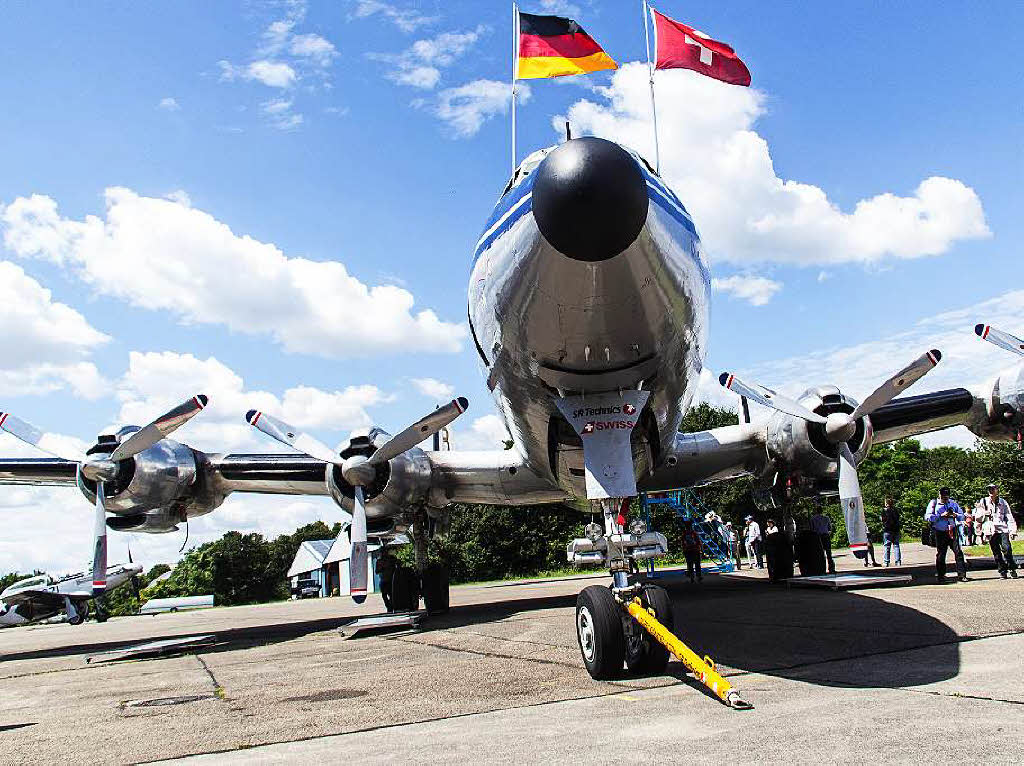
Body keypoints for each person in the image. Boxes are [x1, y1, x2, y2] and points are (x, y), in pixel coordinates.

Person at [924, 487, 968, 583]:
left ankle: (962, 575)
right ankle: (941, 576)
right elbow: (927, 517)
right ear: (939, 495)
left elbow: (962, 516)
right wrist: (940, 516)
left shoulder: (953, 503)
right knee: (941, 554)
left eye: (947, 497)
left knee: (958, 552)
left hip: (952, 530)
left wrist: (956, 515)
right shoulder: (934, 503)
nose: (945, 499)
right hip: (940, 531)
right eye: (943, 497)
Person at [979, 483, 1018, 579]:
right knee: (996, 553)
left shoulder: (1003, 502)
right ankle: (1002, 571)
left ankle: (1012, 568)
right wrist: (984, 513)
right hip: (990, 531)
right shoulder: (983, 501)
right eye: (989, 489)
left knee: (1007, 549)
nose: (991, 491)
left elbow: (1009, 517)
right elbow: (978, 518)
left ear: (997, 490)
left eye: (993, 489)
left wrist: (1013, 530)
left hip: (1002, 529)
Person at [809, 507, 836, 574]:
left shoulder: (813, 519)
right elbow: (830, 528)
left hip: (817, 537)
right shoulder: (826, 518)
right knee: (829, 553)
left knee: (819, 554)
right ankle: (831, 569)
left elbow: (811, 529)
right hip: (825, 536)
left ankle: (821, 569)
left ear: (816, 511)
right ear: (822, 511)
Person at [375, 545, 400, 610]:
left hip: (391, 580)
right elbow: (376, 571)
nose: (383, 553)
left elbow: (399, 563)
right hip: (383, 580)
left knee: (392, 595)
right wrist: (382, 568)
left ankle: (392, 606)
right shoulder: (379, 561)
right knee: (384, 595)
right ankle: (388, 606)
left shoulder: (392, 558)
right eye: (382, 552)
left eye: (384, 551)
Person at [881, 497, 902, 566]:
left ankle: (886, 562)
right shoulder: (895, 510)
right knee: (896, 545)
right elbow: (898, 519)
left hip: (887, 530)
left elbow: (883, 520)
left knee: (887, 546)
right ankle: (898, 561)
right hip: (896, 530)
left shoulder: (884, 511)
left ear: (886, 503)